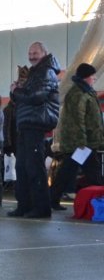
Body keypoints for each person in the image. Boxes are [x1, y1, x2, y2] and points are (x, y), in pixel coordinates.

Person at [8, 41, 60, 218]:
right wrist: (18, 91)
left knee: (34, 168)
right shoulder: (35, 73)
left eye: (35, 53)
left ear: (44, 53)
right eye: (30, 53)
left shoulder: (46, 72)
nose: (31, 56)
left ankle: (41, 208)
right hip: (27, 124)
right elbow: (29, 96)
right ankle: (24, 205)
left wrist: (16, 91)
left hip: (35, 125)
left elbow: (36, 97)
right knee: (22, 167)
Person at [50, 63, 104, 210]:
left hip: (84, 142)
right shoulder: (78, 94)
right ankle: (100, 200)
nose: (94, 78)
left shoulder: (85, 92)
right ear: (86, 77)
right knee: (92, 173)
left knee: (68, 170)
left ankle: (53, 198)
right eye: (92, 76)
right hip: (82, 143)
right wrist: (82, 142)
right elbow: (76, 119)